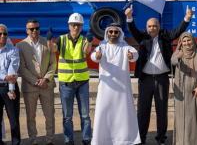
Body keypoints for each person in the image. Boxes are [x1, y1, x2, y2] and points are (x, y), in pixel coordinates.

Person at [125, 4, 193, 145]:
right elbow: (133, 30)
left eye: (154, 26)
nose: (152, 28)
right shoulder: (142, 37)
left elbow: (178, 30)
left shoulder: (165, 36)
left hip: (162, 79)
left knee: (162, 110)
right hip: (145, 80)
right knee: (143, 110)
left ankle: (161, 139)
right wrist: (129, 17)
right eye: (150, 26)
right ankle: (141, 138)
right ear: (147, 27)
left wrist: (187, 18)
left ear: (159, 26)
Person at [47, 13, 93, 145]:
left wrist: (89, 41)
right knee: (67, 116)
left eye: (78, 25)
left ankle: (86, 139)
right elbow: (52, 49)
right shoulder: (61, 39)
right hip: (66, 83)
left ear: (81, 26)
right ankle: (69, 140)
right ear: (69, 25)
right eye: (74, 25)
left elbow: (87, 51)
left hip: (82, 82)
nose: (76, 27)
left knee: (85, 115)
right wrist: (49, 40)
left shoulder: (84, 40)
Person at [90, 24, 141, 145]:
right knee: (103, 113)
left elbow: (134, 54)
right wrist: (96, 56)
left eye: (116, 32)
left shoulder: (125, 47)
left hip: (122, 89)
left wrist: (132, 56)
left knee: (122, 113)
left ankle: (124, 140)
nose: (113, 34)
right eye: (111, 32)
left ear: (120, 34)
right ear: (107, 33)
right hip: (105, 89)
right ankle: (102, 140)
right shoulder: (102, 46)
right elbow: (94, 55)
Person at [16, 19, 57, 145]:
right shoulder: (20, 45)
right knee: (30, 116)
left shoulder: (47, 42)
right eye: (32, 29)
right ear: (27, 30)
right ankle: (34, 140)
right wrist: (36, 82)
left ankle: (50, 140)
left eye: (37, 28)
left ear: (39, 29)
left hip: (47, 85)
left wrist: (45, 79)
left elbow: (53, 63)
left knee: (50, 114)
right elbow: (21, 67)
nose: (35, 31)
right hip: (30, 86)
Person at [171, 32, 197, 145]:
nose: (187, 43)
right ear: (181, 42)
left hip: (196, 89)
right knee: (183, 116)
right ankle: (182, 141)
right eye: (184, 41)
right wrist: (179, 57)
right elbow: (172, 62)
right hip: (182, 91)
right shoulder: (178, 53)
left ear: (193, 41)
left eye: (189, 40)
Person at [0, 24, 20, 145]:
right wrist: (4, 77)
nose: (2, 36)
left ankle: (16, 143)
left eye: (5, 33)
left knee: (14, 119)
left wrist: (11, 89)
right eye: (0, 33)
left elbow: (12, 69)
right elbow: (7, 75)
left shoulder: (13, 49)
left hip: (8, 87)